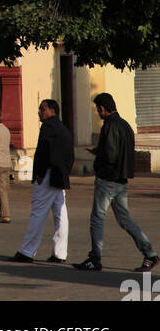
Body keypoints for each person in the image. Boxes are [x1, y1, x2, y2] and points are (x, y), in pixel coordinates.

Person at [72, 93, 159, 273]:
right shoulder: (125, 125)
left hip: (108, 179)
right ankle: (150, 253)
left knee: (97, 218)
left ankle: (95, 257)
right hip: (121, 180)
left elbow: (110, 155)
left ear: (103, 108)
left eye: (98, 109)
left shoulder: (110, 126)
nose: (98, 112)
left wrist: (99, 166)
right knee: (125, 219)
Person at [12, 98, 73, 264]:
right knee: (61, 214)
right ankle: (60, 252)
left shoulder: (47, 127)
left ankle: (27, 251)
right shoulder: (64, 129)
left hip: (47, 175)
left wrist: (39, 173)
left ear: (52, 111)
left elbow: (43, 153)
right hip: (60, 176)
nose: (40, 112)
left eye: (43, 109)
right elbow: (69, 155)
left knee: (38, 212)